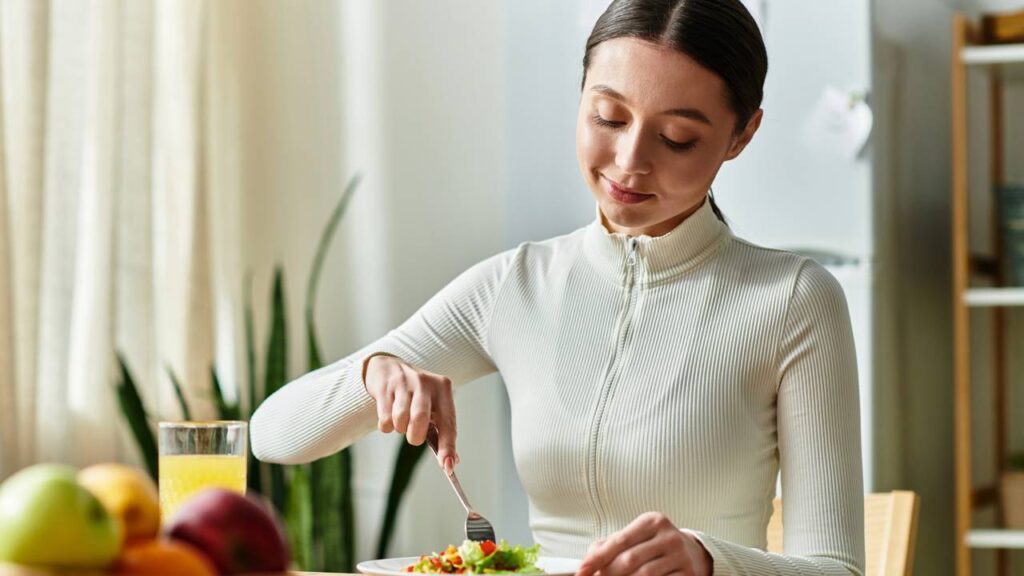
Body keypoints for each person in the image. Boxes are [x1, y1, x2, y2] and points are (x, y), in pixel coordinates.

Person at [251, 0, 865, 574]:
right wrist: (375, 371)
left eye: (677, 137)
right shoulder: (514, 286)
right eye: (609, 116)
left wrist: (709, 561)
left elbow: (838, 569)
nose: (629, 160)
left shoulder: (792, 301)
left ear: (741, 135)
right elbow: (272, 434)